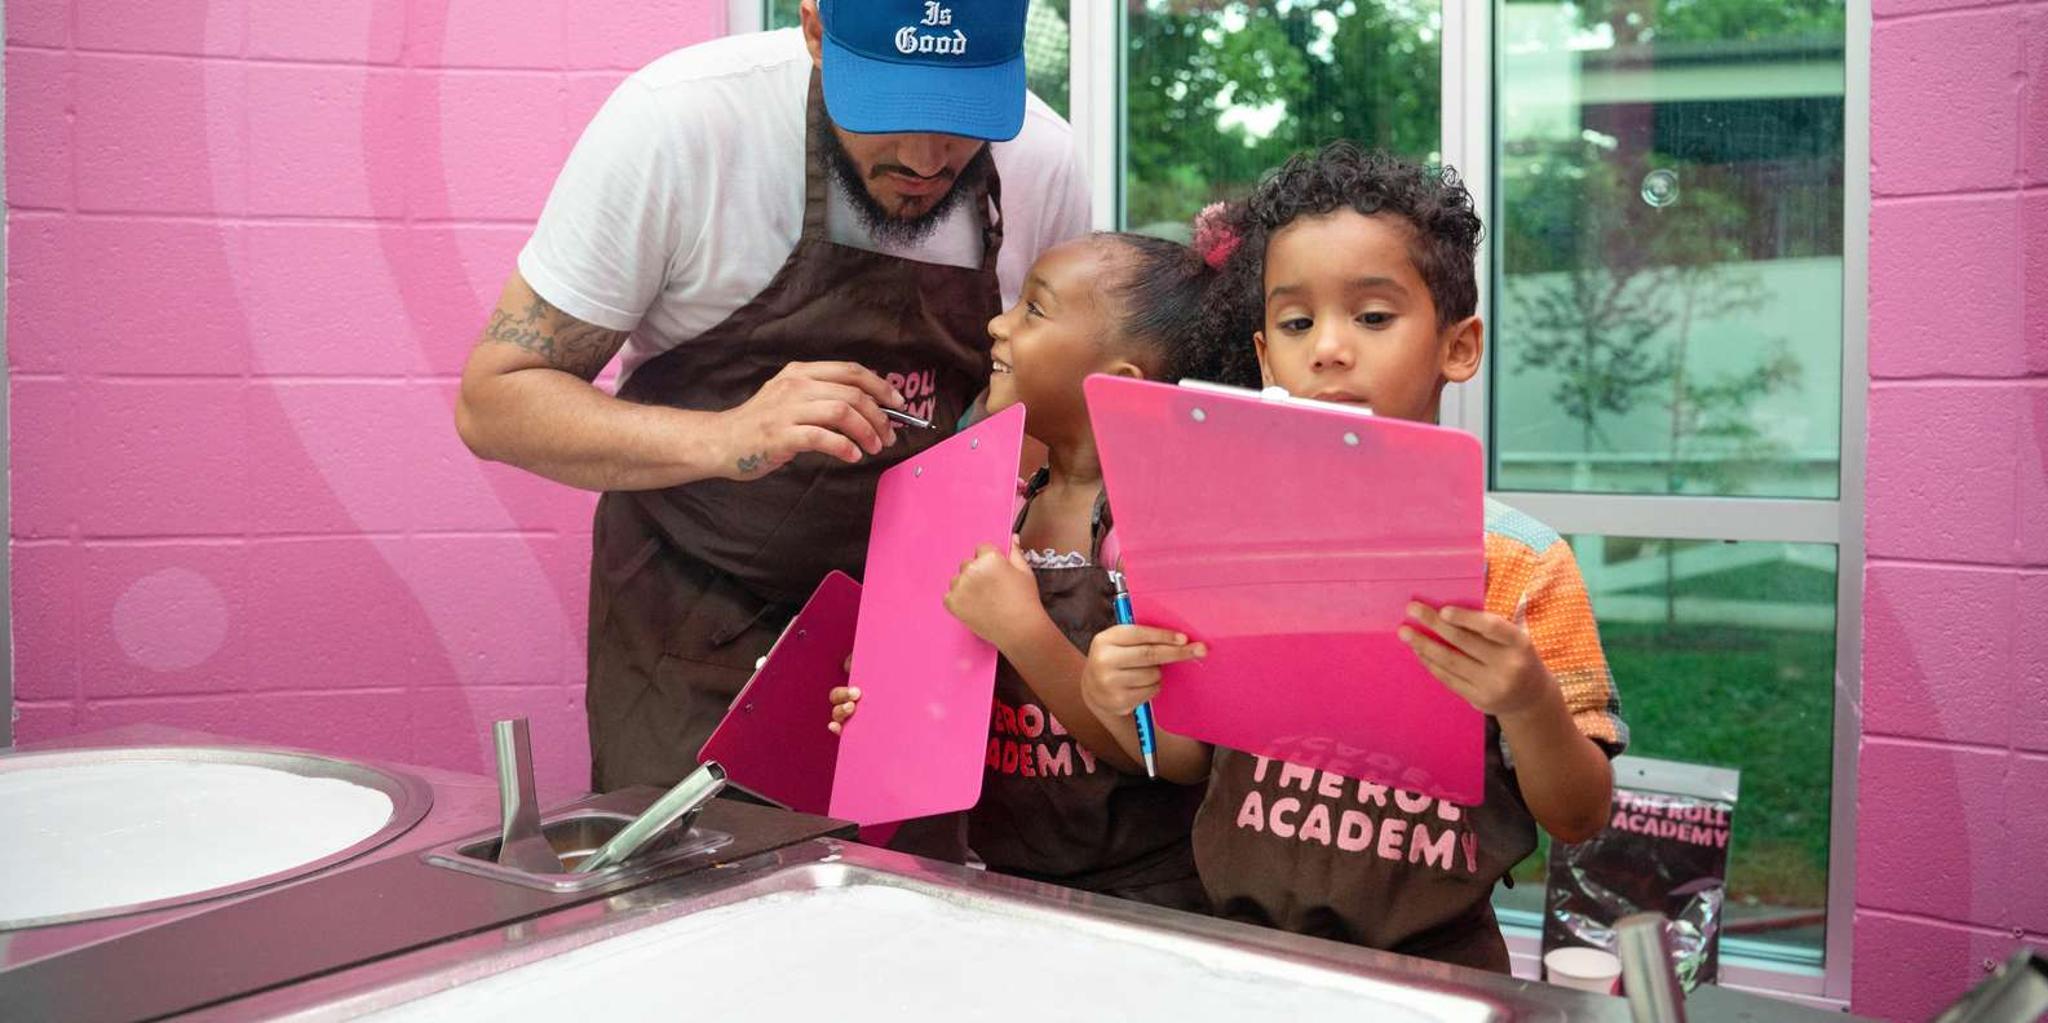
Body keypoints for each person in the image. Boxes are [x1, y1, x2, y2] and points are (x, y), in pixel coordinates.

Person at [453, 0, 1092, 793]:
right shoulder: (683, 127)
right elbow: (494, 401)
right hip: (693, 621)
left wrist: (938, 610)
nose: (928, 158)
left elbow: (1039, 420)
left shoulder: (1043, 161)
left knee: (912, 896)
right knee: (703, 895)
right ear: (817, 30)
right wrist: (727, 437)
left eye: (961, 116)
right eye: (890, 111)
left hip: (913, 634)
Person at [1080, 143, 1628, 969]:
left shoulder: (1519, 559)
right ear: (1265, 355)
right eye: (1297, 322)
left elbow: (1580, 815)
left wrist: (1527, 701)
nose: (1329, 348)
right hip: (1239, 953)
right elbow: (1188, 756)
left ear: (1459, 345)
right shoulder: (1222, 535)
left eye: (1373, 317)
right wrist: (1115, 686)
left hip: (1437, 967)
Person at [829, 233, 1256, 908]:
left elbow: (1176, 756)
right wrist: (884, 705)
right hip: (1004, 882)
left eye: (1035, 309)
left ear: (1116, 382)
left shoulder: (1155, 534)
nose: (998, 323)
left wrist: (1024, 630)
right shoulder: (1003, 504)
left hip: (1145, 901)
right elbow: (957, 694)